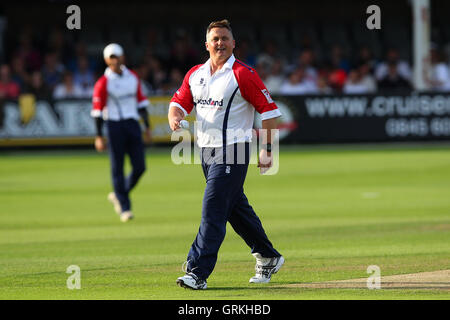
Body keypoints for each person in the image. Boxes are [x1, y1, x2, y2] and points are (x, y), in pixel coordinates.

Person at [168, 20, 284, 290]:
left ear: (234, 44)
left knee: (213, 209)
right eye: (215, 39)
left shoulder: (244, 74)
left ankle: (197, 271)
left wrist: (267, 150)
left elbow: (269, 113)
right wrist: (175, 117)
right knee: (235, 209)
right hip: (206, 152)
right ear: (206, 45)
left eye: (224, 38)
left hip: (234, 149)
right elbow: (178, 103)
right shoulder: (195, 74)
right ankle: (268, 256)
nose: (220, 43)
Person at [91, 43, 151, 222]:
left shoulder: (132, 77)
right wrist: (99, 136)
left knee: (140, 167)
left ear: (122, 57)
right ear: (106, 60)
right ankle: (125, 207)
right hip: (114, 125)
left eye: (117, 56)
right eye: (112, 58)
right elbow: (97, 111)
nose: (115, 61)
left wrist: (147, 127)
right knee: (117, 167)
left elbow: (141, 104)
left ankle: (119, 193)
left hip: (132, 124)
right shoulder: (103, 82)